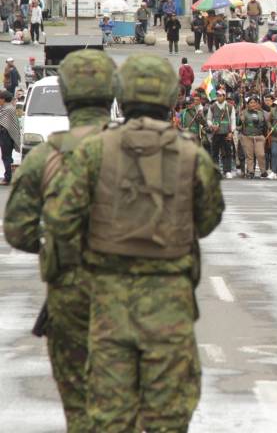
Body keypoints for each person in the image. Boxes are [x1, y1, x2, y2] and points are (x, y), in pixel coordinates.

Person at [41, 55, 224, 432]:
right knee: (168, 416)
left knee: (110, 416)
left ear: (121, 96)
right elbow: (208, 219)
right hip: (170, 299)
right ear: (170, 96)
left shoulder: (94, 150)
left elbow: (60, 219)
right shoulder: (191, 153)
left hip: (109, 298)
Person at [3, 50, 116, 432]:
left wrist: (55, 240)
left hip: (71, 293)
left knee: (81, 407)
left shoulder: (47, 155)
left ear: (66, 95)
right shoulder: (142, 150)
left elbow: (18, 230)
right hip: (139, 294)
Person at [207, 88, 236, 179]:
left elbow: (233, 120)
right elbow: (208, 119)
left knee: (227, 152)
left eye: (220, 96)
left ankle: (227, 171)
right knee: (214, 153)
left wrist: (232, 132)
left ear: (224, 96)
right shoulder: (212, 106)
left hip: (226, 133)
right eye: (217, 96)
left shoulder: (230, 107)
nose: (218, 97)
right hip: (216, 133)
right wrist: (212, 125)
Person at [239, 95, 269, 179]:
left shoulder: (261, 113)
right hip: (247, 136)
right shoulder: (243, 112)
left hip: (259, 136)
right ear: (248, 104)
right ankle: (250, 171)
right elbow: (238, 124)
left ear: (257, 104)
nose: (253, 104)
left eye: (255, 102)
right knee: (250, 155)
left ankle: (263, 171)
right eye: (251, 102)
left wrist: (264, 136)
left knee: (261, 154)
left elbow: (265, 125)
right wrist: (240, 119)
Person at [0, 89, 19, 184]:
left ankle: (8, 178)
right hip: (5, 134)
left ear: (3, 99)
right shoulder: (7, 107)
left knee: (6, 156)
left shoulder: (7, 109)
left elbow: (2, 122)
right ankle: (9, 176)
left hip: (6, 135)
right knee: (7, 156)